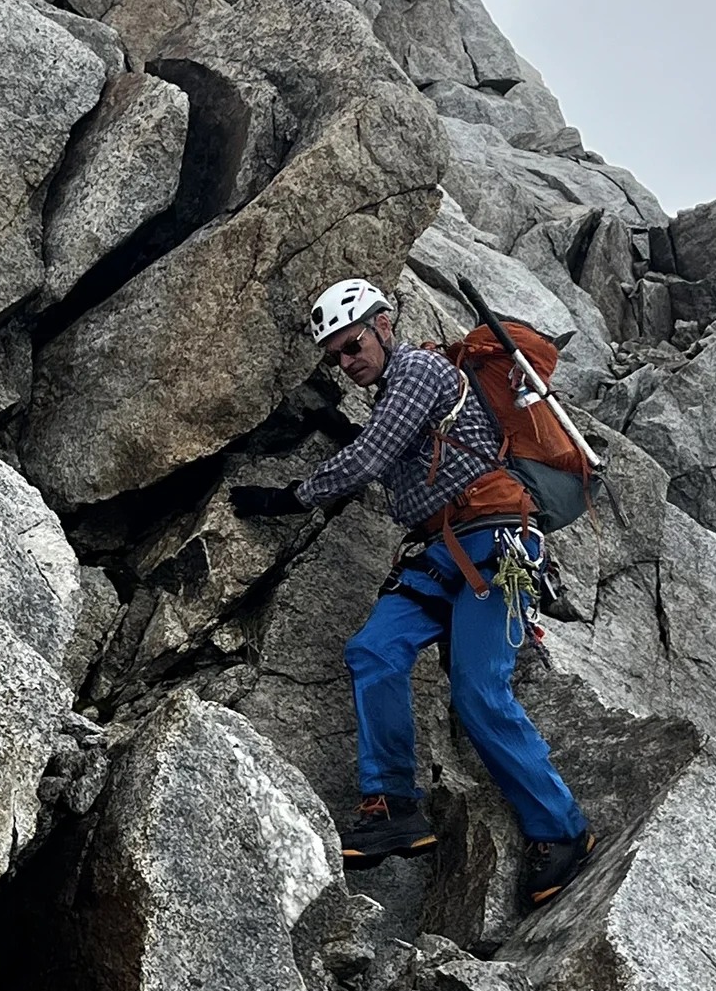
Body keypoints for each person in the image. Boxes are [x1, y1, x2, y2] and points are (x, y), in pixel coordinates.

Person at [230, 278, 596, 910]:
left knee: (479, 691)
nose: (347, 362)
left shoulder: (420, 370)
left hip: (498, 543)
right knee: (374, 650)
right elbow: (394, 453)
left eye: (352, 345)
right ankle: (393, 806)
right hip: (440, 553)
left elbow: (372, 457)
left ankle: (562, 830)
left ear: (384, 325)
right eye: (336, 357)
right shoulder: (397, 395)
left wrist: (288, 498)